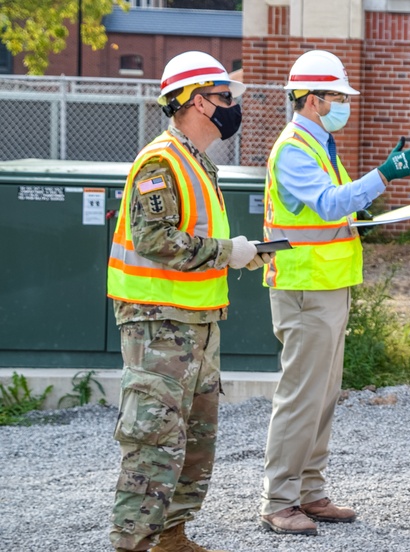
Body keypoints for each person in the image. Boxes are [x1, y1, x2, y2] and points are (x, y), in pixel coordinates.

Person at [258, 50, 410, 535]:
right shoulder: (295, 148)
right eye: (337, 96)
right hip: (305, 288)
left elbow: (326, 215)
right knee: (301, 397)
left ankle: (309, 492)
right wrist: (384, 176)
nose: (344, 104)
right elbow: (327, 202)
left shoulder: (318, 145)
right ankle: (280, 500)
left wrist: (368, 215)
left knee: (324, 394)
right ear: (313, 100)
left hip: (326, 286)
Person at [107, 51, 271, 552]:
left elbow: (189, 238)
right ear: (198, 101)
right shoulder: (161, 160)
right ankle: (133, 542)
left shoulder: (195, 160)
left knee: (195, 439)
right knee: (153, 440)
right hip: (158, 324)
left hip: (195, 322)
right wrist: (229, 252)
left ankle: (172, 535)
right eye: (224, 98)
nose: (230, 107)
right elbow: (154, 238)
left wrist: (239, 255)